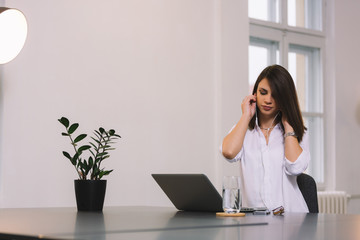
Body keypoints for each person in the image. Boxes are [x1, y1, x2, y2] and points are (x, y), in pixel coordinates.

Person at [221, 64, 310, 212]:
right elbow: (229, 152)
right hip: (254, 224)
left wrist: (288, 126)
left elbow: (295, 167)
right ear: (255, 94)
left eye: (275, 95)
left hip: (293, 221)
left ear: (284, 99)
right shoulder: (244, 130)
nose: (268, 100)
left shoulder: (298, 132)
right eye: (263, 92)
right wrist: (246, 116)